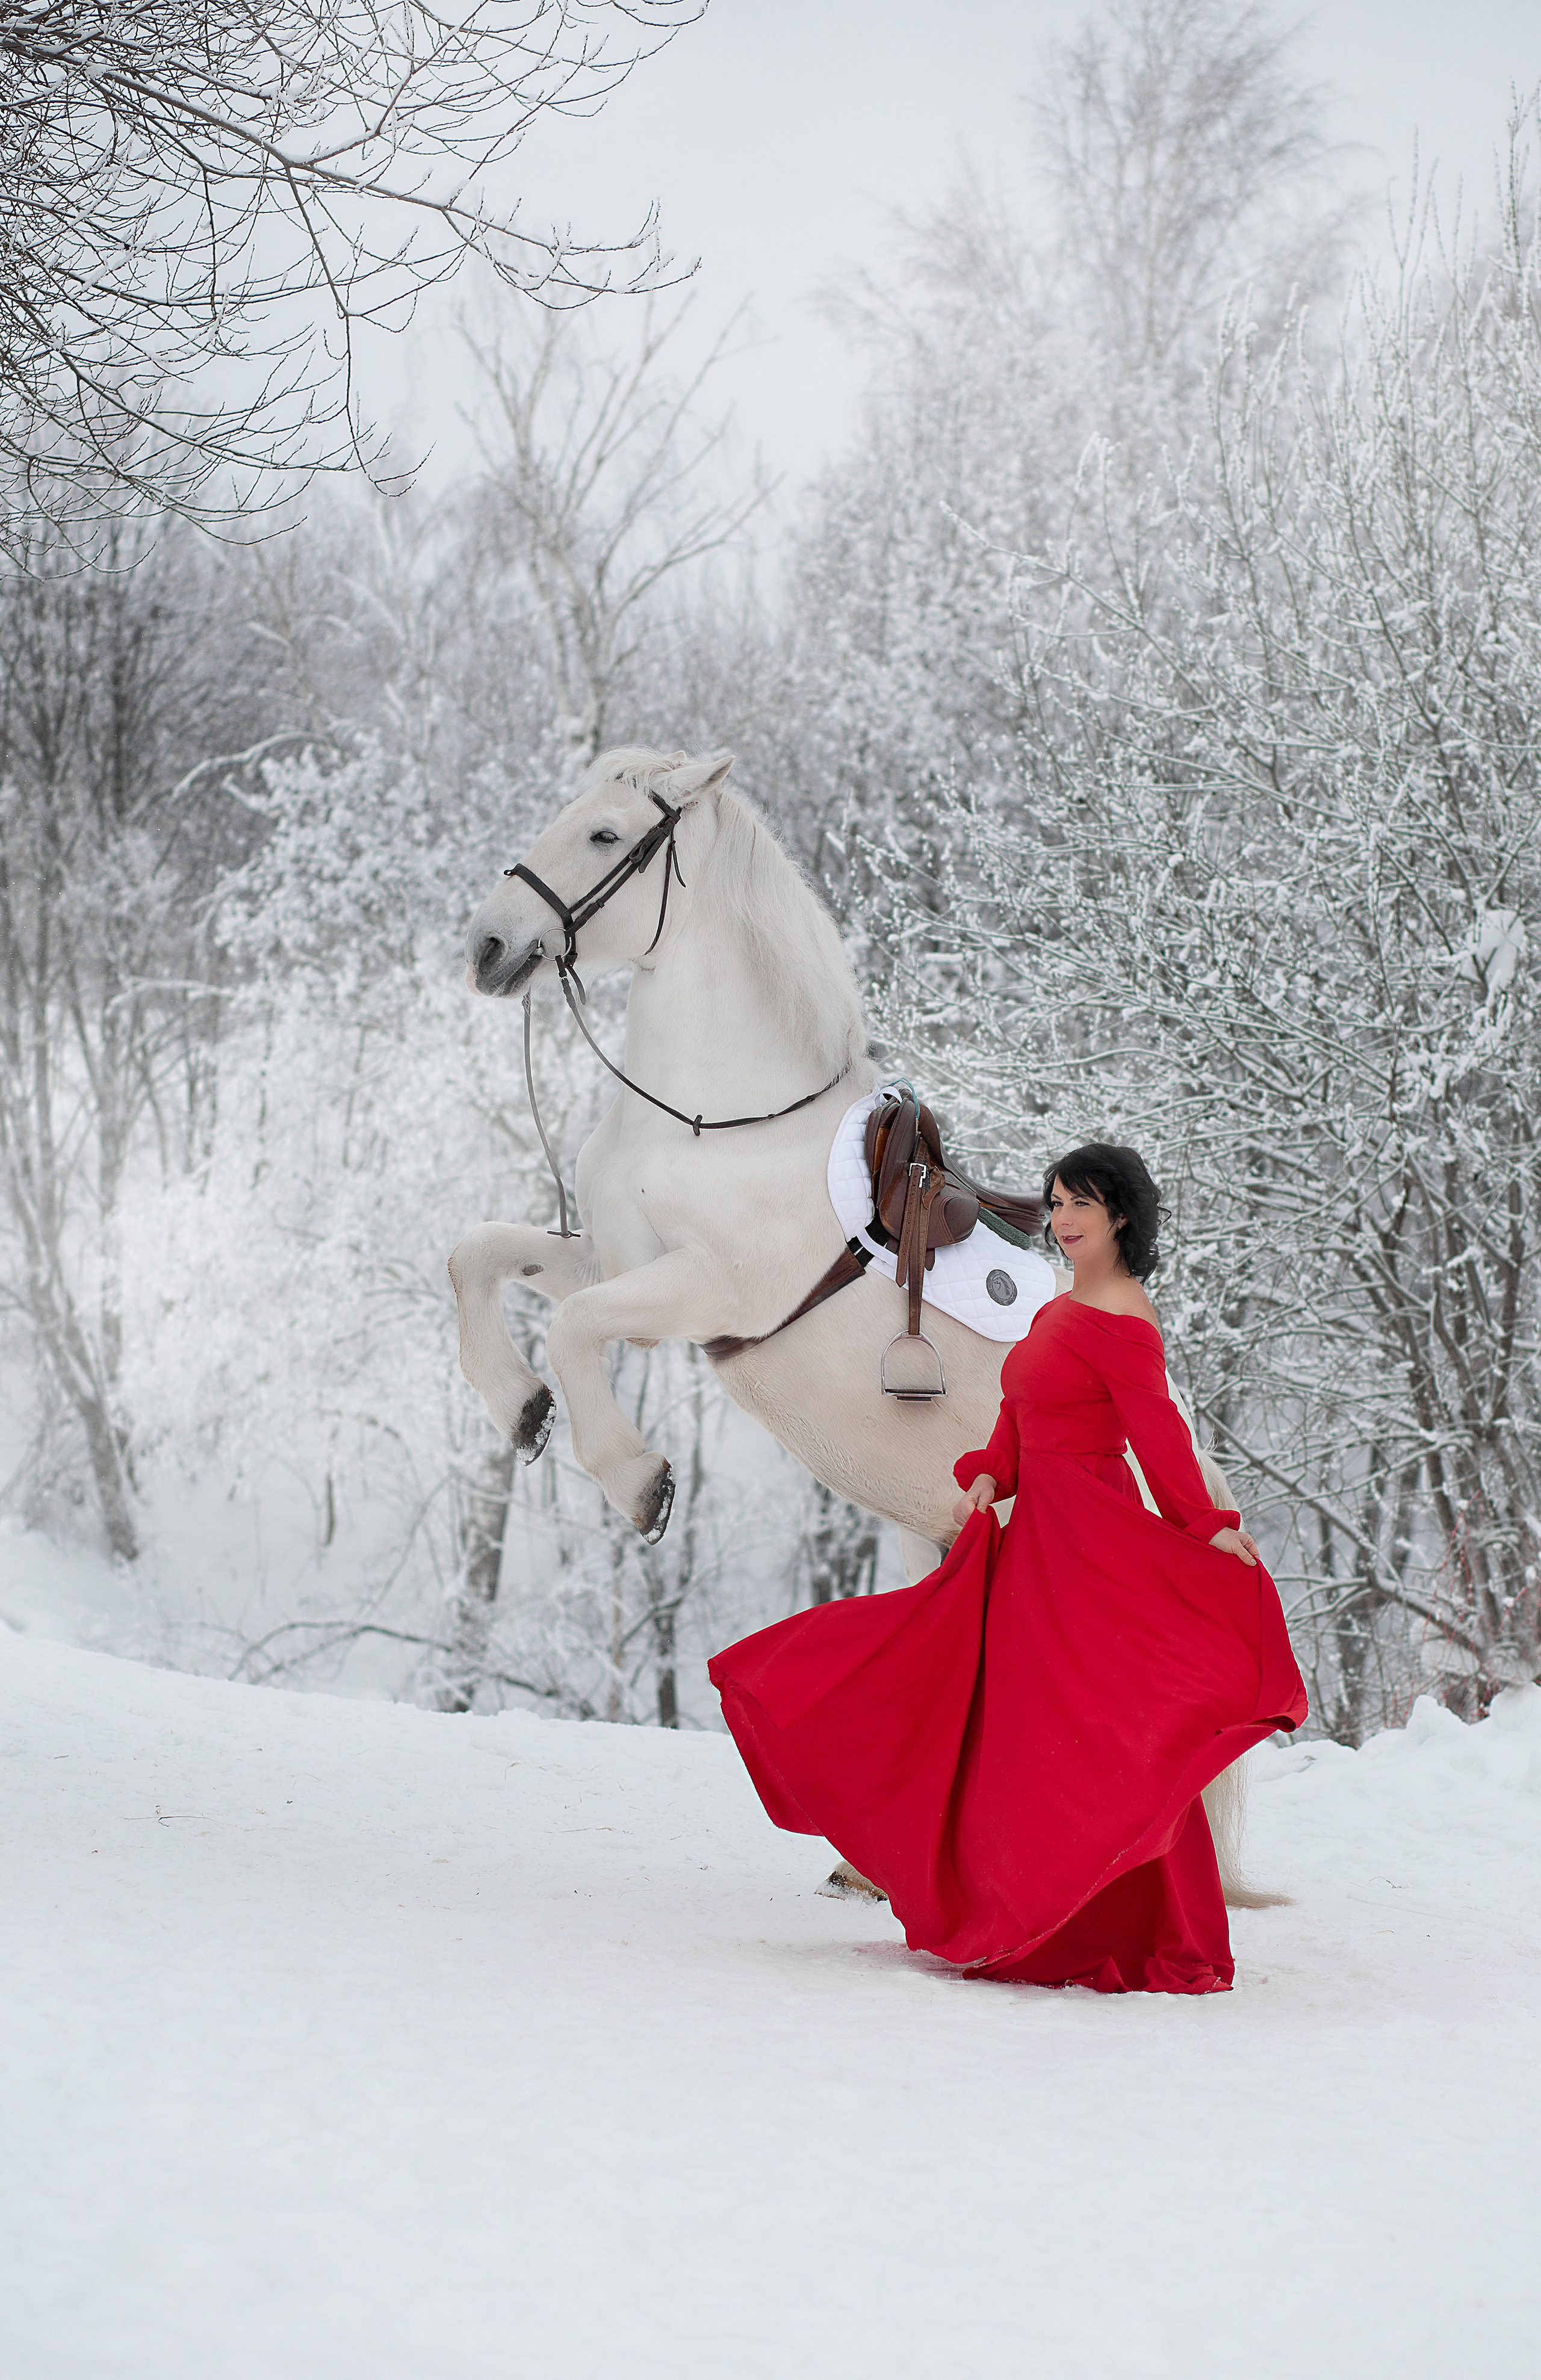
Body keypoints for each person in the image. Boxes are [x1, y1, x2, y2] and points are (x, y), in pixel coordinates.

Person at [708, 1142, 1307, 1995]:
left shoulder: (1125, 1313)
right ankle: (1022, 1910)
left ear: (1122, 1218)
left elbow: (1157, 1434)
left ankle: (1112, 1924)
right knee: (1004, 1716)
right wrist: (989, 1471)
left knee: (1077, 1732)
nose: (1062, 1221)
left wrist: (1208, 1525)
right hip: (1036, 1536)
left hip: (1089, 1541)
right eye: (1057, 1204)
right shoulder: (1062, 1304)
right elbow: (1024, 1412)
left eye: (1081, 1209)